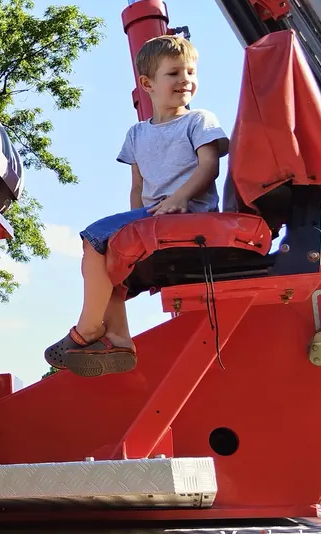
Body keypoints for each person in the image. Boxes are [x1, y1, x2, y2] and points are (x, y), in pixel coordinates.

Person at [43, 35, 229, 376]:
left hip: (190, 214)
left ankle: (87, 329)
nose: (185, 79)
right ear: (148, 84)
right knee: (108, 258)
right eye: (173, 73)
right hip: (153, 217)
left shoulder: (198, 120)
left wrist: (179, 198)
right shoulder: (136, 134)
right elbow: (138, 189)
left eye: (190, 72)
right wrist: (129, 235)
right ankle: (119, 336)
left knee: (92, 235)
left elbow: (209, 166)